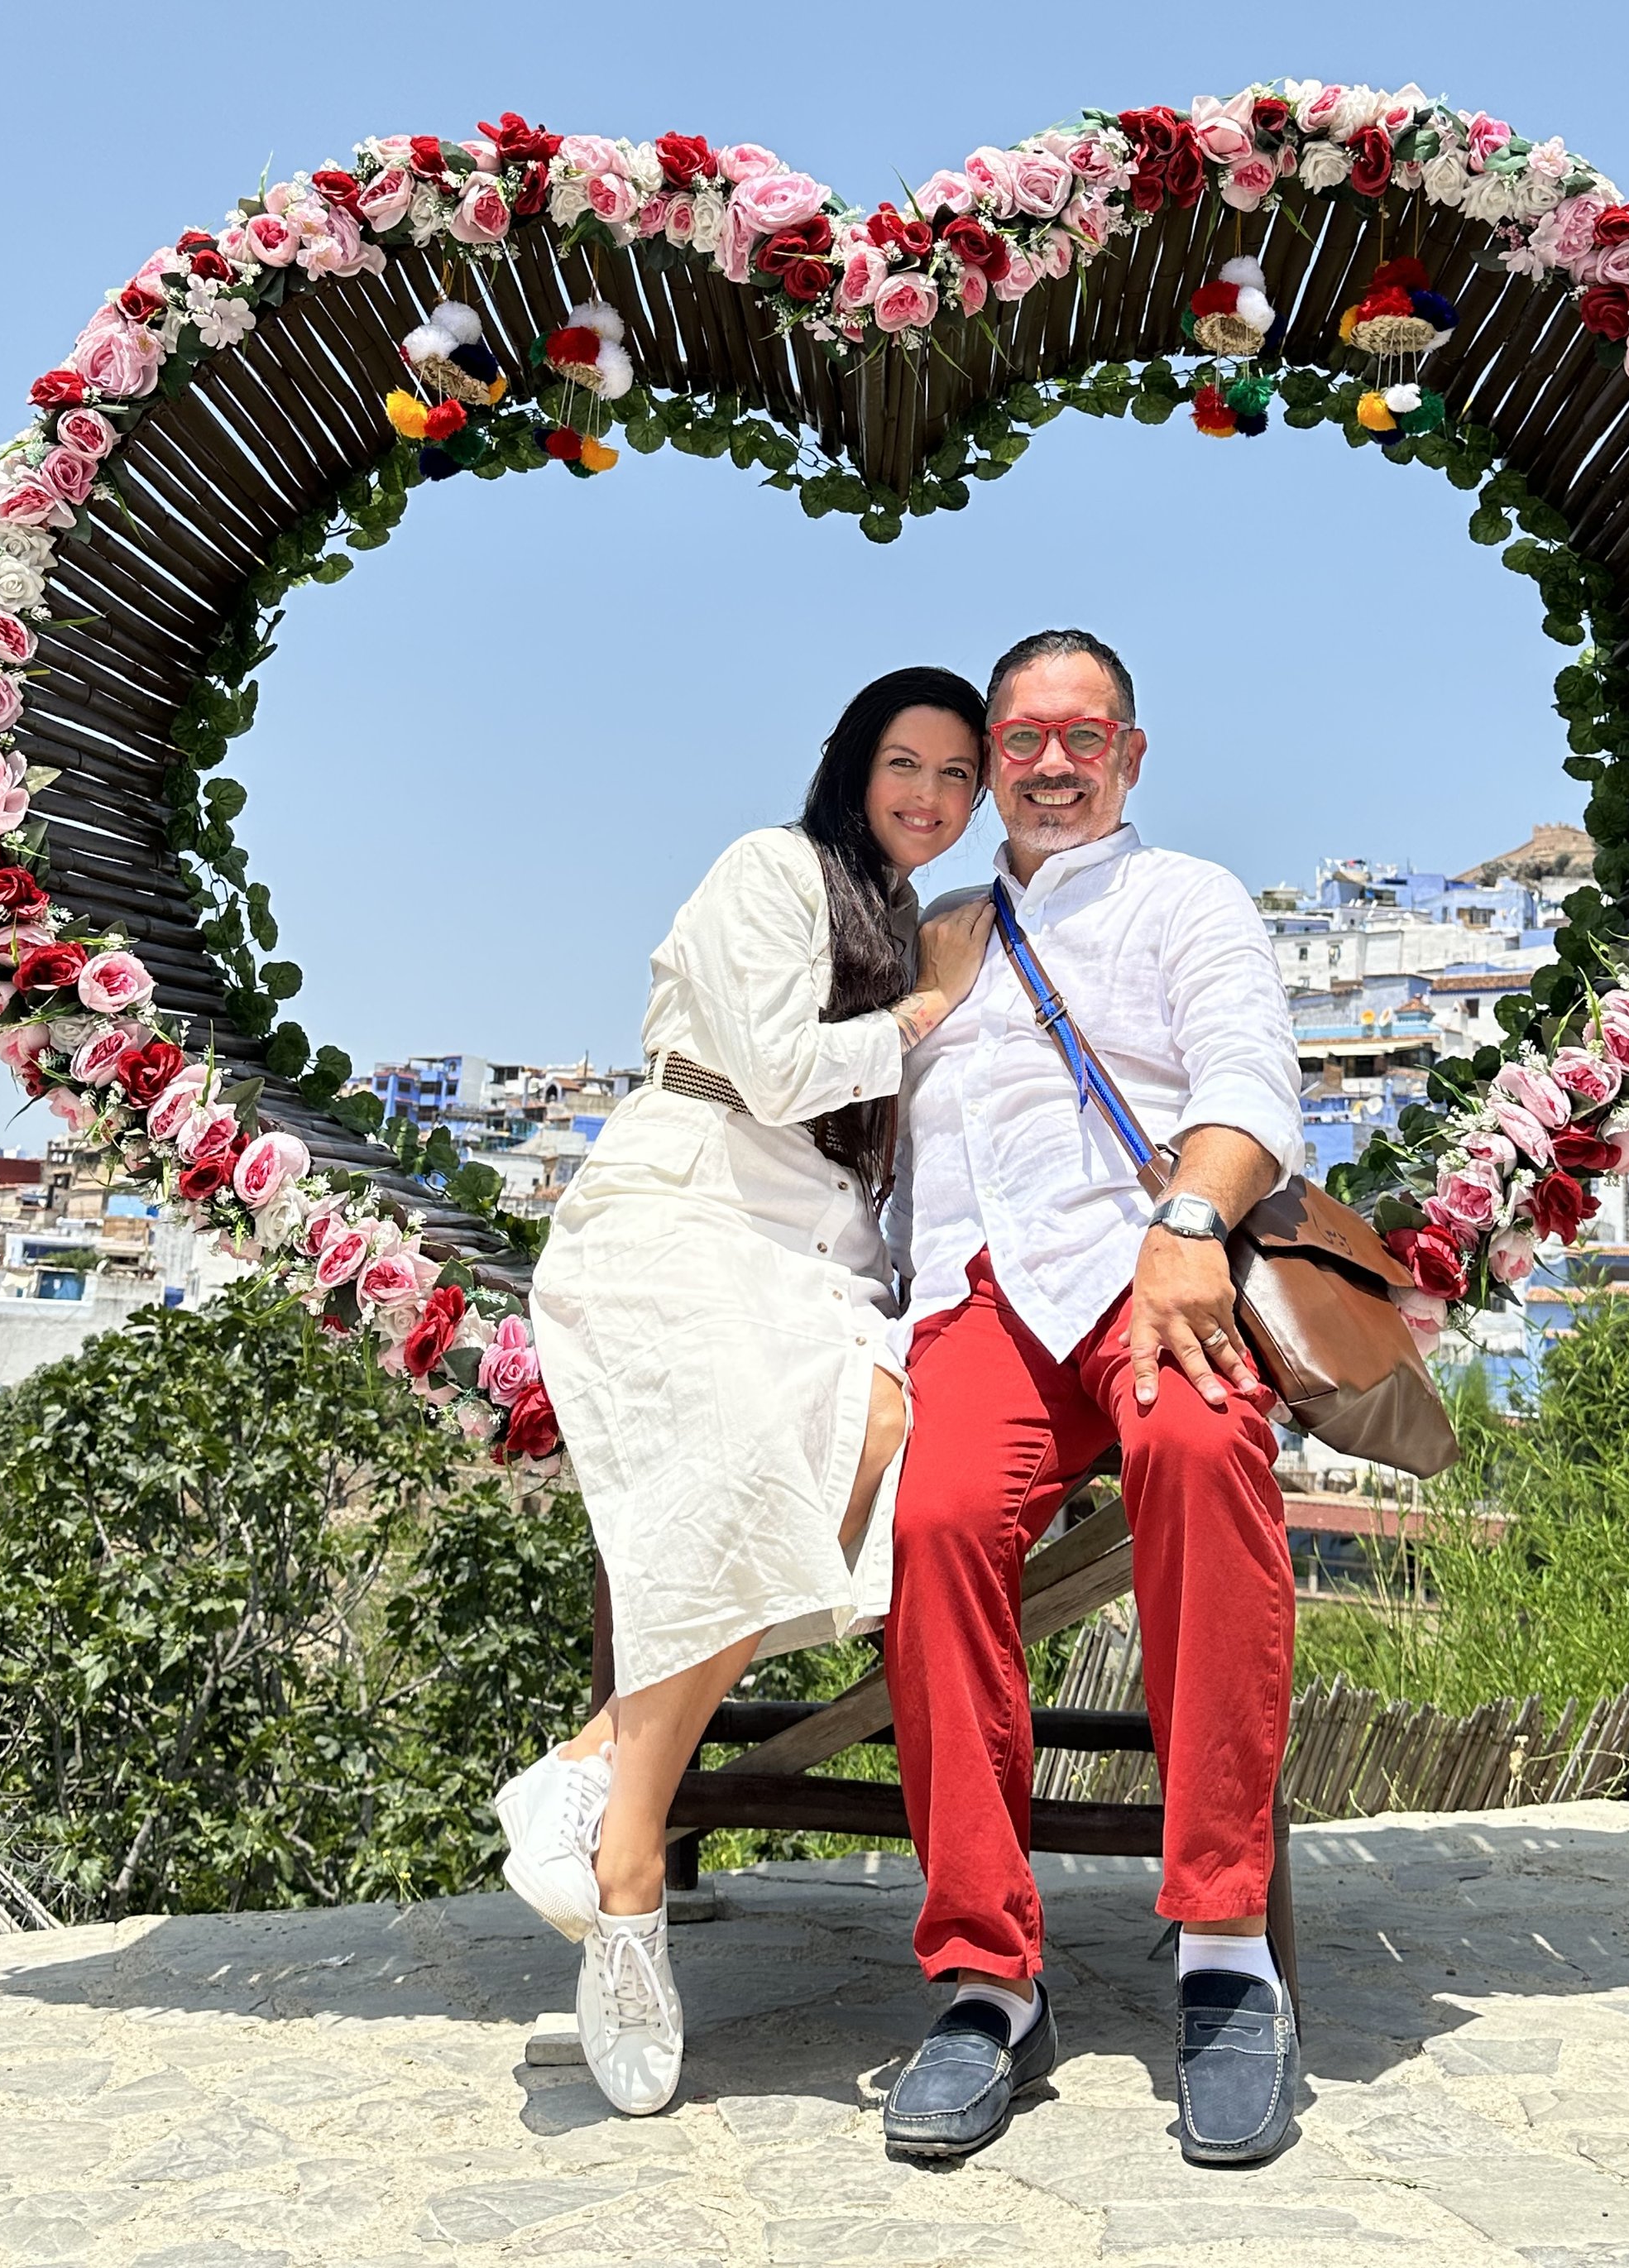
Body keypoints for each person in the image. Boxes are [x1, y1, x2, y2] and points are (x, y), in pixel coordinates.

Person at [501, 667, 995, 2117]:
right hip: (683, 1214)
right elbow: (777, 1070)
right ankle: (633, 1882)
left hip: (812, 1257)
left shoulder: (905, 919)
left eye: (956, 776)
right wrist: (925, 1011)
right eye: (907, 764)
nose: (932, 796)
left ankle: (599, 1780)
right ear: (853, 765)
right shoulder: (772, 869)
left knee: (883, 1431)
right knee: (753, 1466)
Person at [879, 628, 1306, 2167]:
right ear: (990, 759)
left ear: (1131, 753)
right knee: (932, 1528)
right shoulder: (941, 928)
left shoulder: (1187, 898)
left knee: (1202, 1453)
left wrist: (1190, 1226)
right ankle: (987, 1977)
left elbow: (1250, 1080)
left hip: (1146, 1265)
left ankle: (1223, 1952)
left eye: (1084, 735)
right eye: (1021, 740)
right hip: (977, 1294)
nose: (1051, 763)